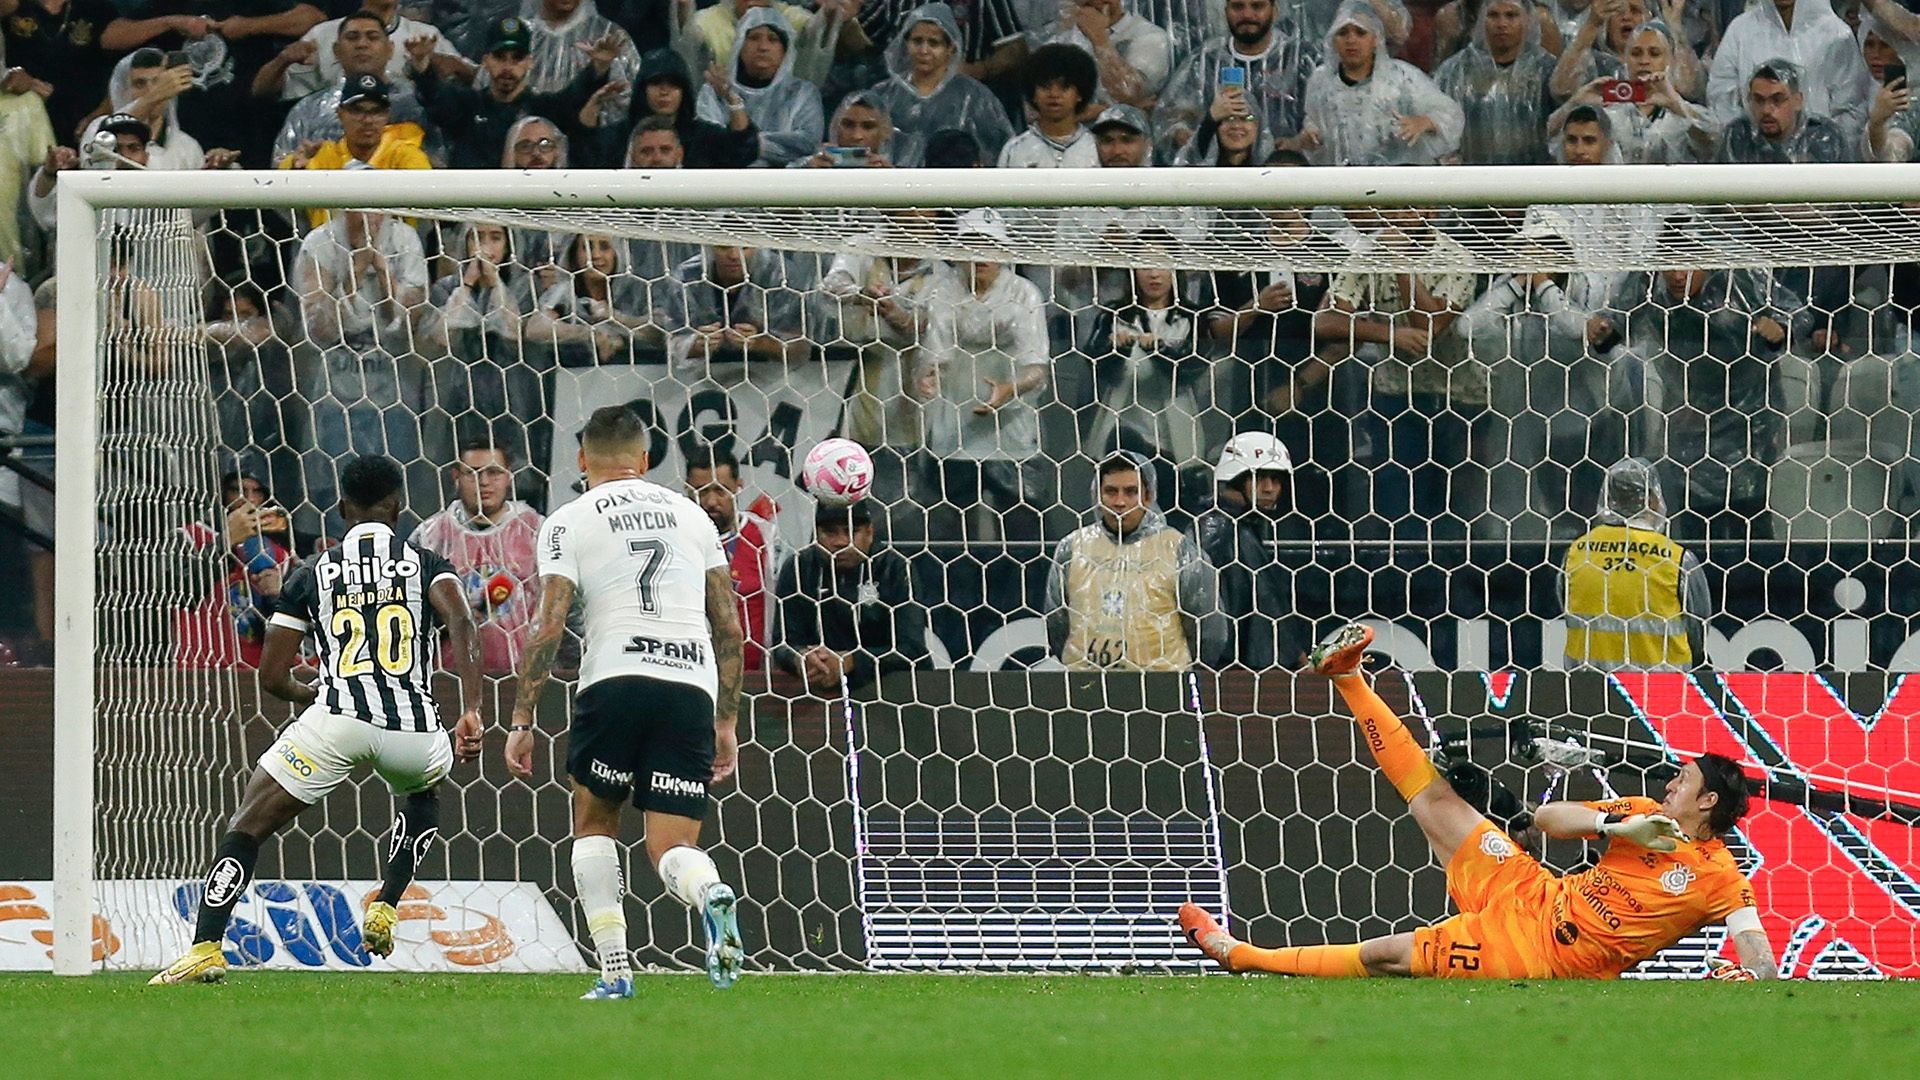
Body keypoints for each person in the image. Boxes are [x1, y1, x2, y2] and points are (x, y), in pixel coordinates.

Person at [1181, 622, 1777, 981]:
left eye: (1683, 782)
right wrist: (1615, 828)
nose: (1670, 786)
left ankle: (1243, 956)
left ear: (1708, 803)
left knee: (1390, 954)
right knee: (1436, 797)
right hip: (1532, 891)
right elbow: (1546, 819)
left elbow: (1759, 954)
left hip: (1538, 955)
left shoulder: (1719, 877)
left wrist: (1749, 978)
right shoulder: (1643, 813)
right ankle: (1347, 676)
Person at [149, 455, 484, 984]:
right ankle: (387, 902)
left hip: (338, 719)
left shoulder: (312, 573)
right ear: (398, 506)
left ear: (343, 508)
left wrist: (314, 694)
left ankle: (206, 947)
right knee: (422, 794)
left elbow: (272, 677)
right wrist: (471, 708)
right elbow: (462, 622)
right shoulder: (427, 565)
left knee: (247, 826)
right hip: (415, 728)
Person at [505, 404, 747, 998]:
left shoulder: (567, 521)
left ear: (582, 459)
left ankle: (615, 972)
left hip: (614, 679)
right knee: (672, 847)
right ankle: (709, 891)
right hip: (690, 685)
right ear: (644, 459)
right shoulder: (693, 515)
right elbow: (728, 626)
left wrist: (522, 717)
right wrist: (727, 720)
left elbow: (549, 625)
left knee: (594, 825)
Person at [1045, 451, 1222, 671]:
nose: (1120, 502)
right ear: (1097, 496)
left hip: (1161, 683)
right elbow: (1057, 623)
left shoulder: (1179, 550)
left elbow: (1208, 629)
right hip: (1086, 682)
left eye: (1131, 492)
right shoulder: (1072, 548)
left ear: (1148, 496)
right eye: (1111, 492)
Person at [1190, 432, 1331, 669]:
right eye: (1260, 478)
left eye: (1276, 480)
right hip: (1232, 669)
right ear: (1236, 479)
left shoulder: (1238, 527)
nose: (1269, 489)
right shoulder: (1219, 531)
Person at [411, 16, 620, 169]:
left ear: (529, 62)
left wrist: (598, 68)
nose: (508, 67)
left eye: (517, 58)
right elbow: (437, 98)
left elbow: (575, 98)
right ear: (485, 60)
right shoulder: (466, 105)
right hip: (473, 209)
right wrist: (422, 66)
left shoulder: (544, 109)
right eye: (500, 57)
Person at [1560, 456, 1711, 670]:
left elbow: (1568, 612)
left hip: (1587, 684)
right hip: (1662, 687)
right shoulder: (1676, 559)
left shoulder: (1576, 553)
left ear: (1608, 499)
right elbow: (1698, 630)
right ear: (1653, 499)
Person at [413, 441, 545, 677]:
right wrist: (449, 618)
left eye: (494, 472)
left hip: (521, 677)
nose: (484, 481)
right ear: (456, 476)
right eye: (472, 473)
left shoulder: (536, 531)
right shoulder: (431, 536)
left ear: (509, 476)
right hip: (447, 678)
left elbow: (565, 609)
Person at [770, 500, 930, 693]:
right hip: (815, 689)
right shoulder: (798, 568)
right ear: (816, 533)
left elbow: (912, 650)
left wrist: (849, 661)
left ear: (869, 532)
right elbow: (782, 644)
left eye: (851, 532)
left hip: (892, 690)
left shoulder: (895, 568)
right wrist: (801, 658)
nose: (841, 542)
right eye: (830, 532)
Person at [1153, 0, 1319, 162]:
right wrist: (1184, 135)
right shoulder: (1204, 61)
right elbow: (1171, 120)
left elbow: (1324, 115)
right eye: (1238, 6)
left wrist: (1302, 140)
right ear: (1226, 11)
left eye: (1257, 6)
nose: (1247, 14)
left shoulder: (1302, 59)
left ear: (1274, 11)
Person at [1302, 2, 1463, 166]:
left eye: (1360, 33)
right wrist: (1310, 134)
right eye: (1342, 33)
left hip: (1397, 177)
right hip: (1341, 179)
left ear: (1375, 39)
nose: (1351, 40)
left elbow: (1450, 113)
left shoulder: (1402, 78)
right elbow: (1313, 120)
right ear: (1333, 40)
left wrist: (1425, 121)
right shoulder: (1320, 80)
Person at [268, 11, 434, 167]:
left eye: (372, 37)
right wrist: (297, 168)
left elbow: (437, 161)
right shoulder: (308, 110)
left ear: (390, 49)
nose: (362, 44)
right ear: (336, 50)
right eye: (352, 37)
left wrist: (426, 73)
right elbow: (279, 170)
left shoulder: (416, 102)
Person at [864, 3, 1016, 164]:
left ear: (951, 48)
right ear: (905, 43)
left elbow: (1000, 152)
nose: (924, 50)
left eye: (934, 43)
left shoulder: (975, 97)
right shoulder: (882, 94)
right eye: (917, 41)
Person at [1546, 19, 1714, 164]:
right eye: (1636, 53)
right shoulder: (1607, 111)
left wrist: (1676, 105)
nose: (1644, 61)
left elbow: (1712, 142)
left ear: (1670, 60)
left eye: (1654, 54)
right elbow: (1551, 140)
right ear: (1625, 60)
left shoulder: (1681, 112)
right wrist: (1575, 102)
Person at [280, 75, 430, 229]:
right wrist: (296, 170)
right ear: (340, 113)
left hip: (395, 243)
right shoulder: (321, 156)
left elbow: (428, 193)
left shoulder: (404, 154)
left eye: (376, 112)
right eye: (357, 111)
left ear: (387, 115)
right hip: (328, 243)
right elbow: (279, 194)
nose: (368, 120)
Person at [1707, 0, 1873, 134]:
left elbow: (1853, 105)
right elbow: (1721, 96)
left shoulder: (1836, 34)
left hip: (1819, 158)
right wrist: (1749, 145)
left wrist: (1826, 149)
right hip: (1753, 158)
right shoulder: (1740, 31)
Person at [694, 6, 824, 168]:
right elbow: (712, 145)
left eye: (773, 39)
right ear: (740, 46)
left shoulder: (803, 93)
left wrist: (747, 143)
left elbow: (807, 144)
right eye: (754, 38)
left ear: (785, 50)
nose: (763, 47)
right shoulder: (715, 91)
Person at [685, 445, 776, 672]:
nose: (711, 501)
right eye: (701, 491)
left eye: (720, 490)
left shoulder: (764, 536)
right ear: (686, 489)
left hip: (755, 676)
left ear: (739, 487)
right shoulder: (678, 539)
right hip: (693, 672)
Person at [1434, 0, 1557, 165]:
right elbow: (1439, 121)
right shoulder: (1454, 71)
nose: (1502, 24)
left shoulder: (1546, 68)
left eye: (1511, 15)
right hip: (1471, 175)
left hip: (1534, 175)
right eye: (1493, 15)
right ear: (1481, 20)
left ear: (1527, 20)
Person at [617, 48, 758, 169]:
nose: (664, 91)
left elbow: (743, 152)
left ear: (684, 91)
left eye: (673, 84)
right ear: (642, 90)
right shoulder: (618, 137)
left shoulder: (705, 138)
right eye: (655, 83)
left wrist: (732, 99)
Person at [1025, 0, 1172, 112]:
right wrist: (1102, 110)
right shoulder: (1061, 40)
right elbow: (1033, 109)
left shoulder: (1150, 37)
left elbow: (1128, 93)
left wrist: (1100, 39)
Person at [1715, 59, 1856, 164]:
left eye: (1777, 100)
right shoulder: (1737, 137)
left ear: (1798, 100)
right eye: (1758, 100)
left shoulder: (1827, 137)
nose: (1766, 110)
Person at [998, 43, 1098, 167]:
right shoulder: (1014, 149)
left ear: (1080, 94)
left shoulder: (1097, 148)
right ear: (1033, 94)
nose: (1054, 94)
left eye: (1064, 87)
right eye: (1045, 87)